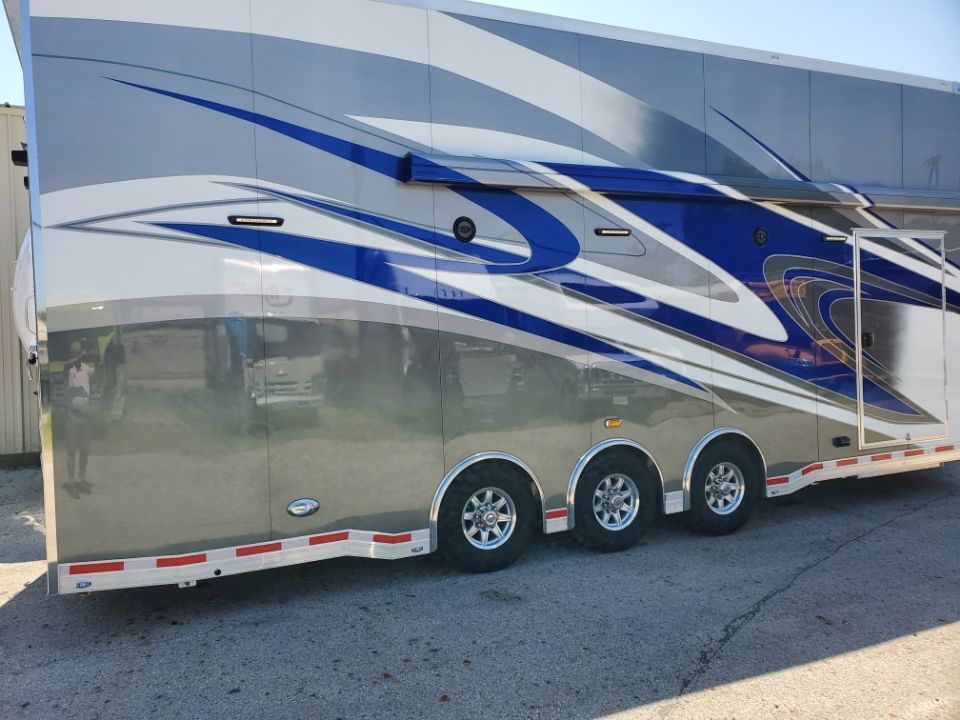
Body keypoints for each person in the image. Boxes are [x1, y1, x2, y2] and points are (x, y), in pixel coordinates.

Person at [63, 340, 94, 496]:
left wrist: (93, 352)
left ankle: (82, 480)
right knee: (71, 451)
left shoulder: (86, 369)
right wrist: (80, 355)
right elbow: (69, 364)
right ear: (72, 354)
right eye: (74, 352)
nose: (77, 355)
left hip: (85, 416)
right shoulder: (68, 368)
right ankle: (70, 482)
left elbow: (98, 371)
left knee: (84, 451)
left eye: (79, 352)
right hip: (73, 416)